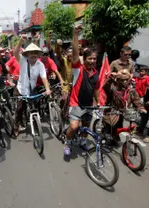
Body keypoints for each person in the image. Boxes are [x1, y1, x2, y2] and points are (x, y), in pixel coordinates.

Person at [63, 25, 100, 156]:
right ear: (85, 59)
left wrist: (98, 103)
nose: (92, 61)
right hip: (75, 104)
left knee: (85, 126)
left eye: (94, 59)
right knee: (74, 127)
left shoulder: (96, 73)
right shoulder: (78, 68)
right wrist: (75, 34)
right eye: (90, 58)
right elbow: (74, 52)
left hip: (89, 105)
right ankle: (67, 142)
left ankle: (83, 141)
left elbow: (96, 89)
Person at [13, 34, 52, 137]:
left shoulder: (40, 65)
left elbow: (44, 77)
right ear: (27, 54)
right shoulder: (23, 60)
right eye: (31, 53)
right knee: (19, 109)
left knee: (34, 107)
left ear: (38, 54)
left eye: (35, 53)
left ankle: (36, 124)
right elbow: (15, 52)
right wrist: (21, 41)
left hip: (32, 91)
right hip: (21, 89)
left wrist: (47, 89)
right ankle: (16, 126)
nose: (33, 55)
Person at [102, 69, 146, 144]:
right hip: (112, 110)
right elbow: (106, 87)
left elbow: (136, 100)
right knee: (110, 127)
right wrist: (110, 79)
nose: (125, 82)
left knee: (120, 126)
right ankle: (106, 134)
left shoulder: (131, 90)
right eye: (122, 80)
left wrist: (141, 107)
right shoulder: (113, 88)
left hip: (124, 112)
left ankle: (115, 136)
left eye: (126, 79)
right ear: (118, 80)